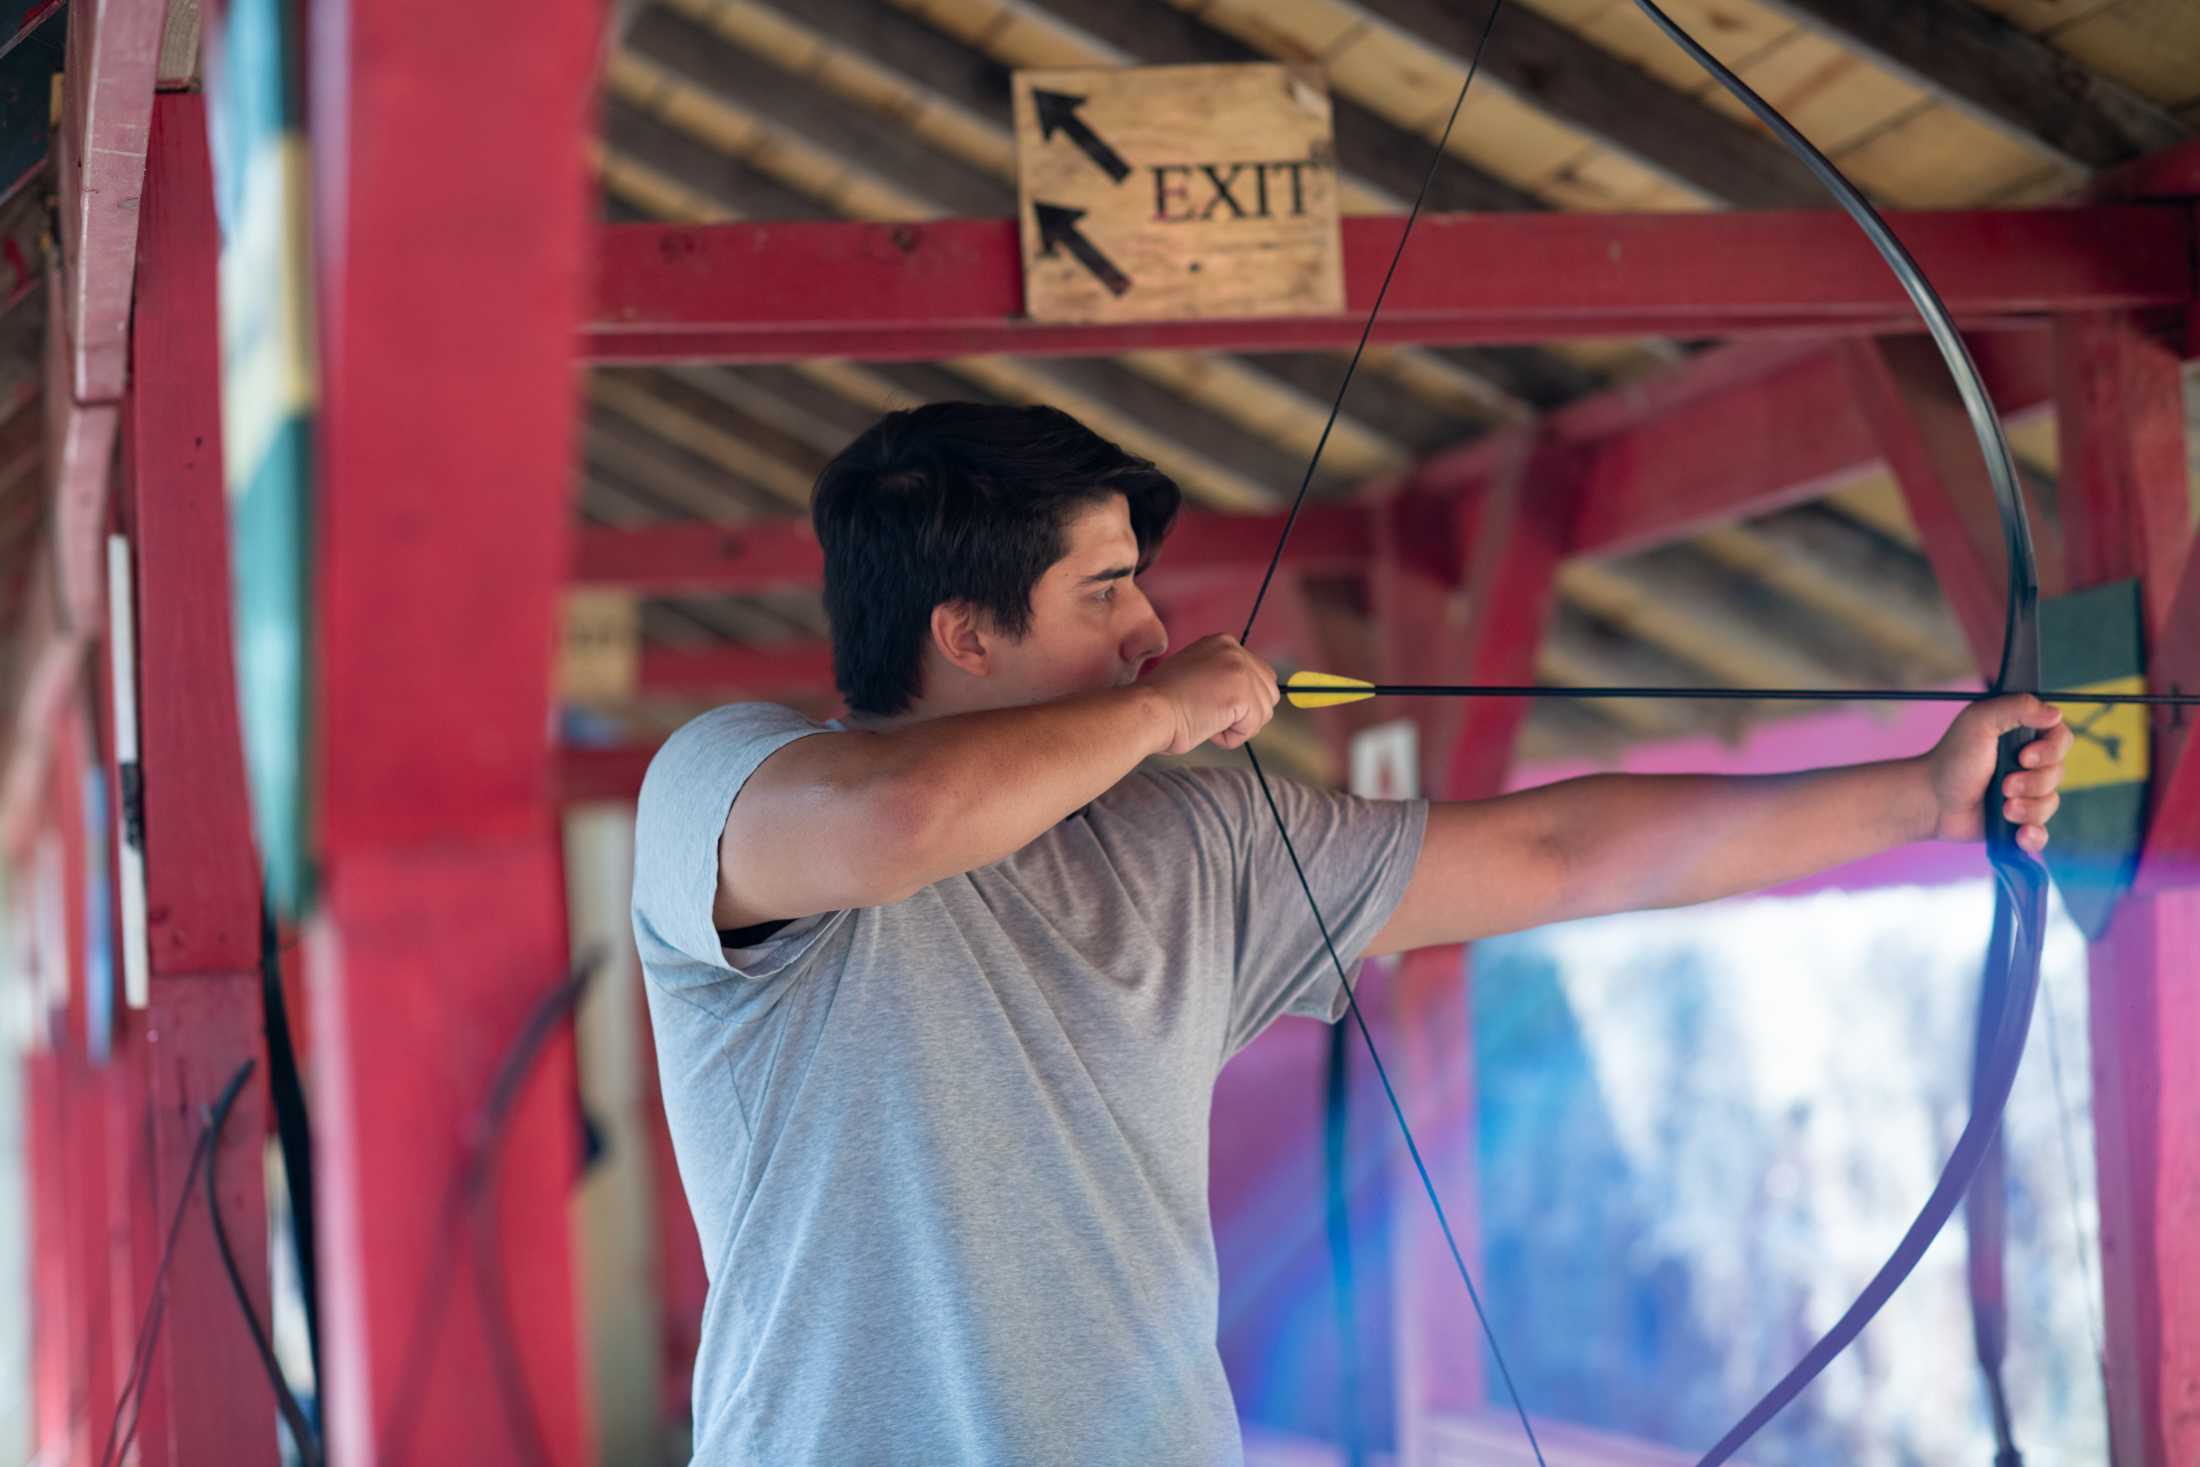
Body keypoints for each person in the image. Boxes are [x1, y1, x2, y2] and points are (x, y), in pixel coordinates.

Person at [630, 402, 2070, 1466]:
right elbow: (900, 828)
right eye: (1103, 589)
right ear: (967, 635)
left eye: (1138, 583)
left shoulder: (1193, 838)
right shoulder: (733, 782)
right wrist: (1161, 710)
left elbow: (1556, 852)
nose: (1148, 629)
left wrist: (1913, 798)